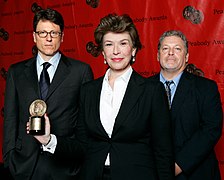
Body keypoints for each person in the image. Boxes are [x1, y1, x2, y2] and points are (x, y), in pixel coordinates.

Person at [31, 13, 175, 180]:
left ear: (133, 49)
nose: (116, 51)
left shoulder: (152, 90)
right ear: (102, 52)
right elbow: (82, 145)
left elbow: (163, 151)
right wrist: (48, 140)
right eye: (109, 44)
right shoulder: (88, 90)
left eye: (123, 43)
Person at [3, 8, 93, 180]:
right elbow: (10, 119)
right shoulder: (16, 72)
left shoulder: (80, 71)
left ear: (63, 36)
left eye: (54, 32)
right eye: (43, 32)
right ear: (34, 36)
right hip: (23, 165)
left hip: (64, 166)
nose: (49, 38)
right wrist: (10, 159)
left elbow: (85, 124)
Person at [149, 30, 223, 180]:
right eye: (165, 48)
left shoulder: (206, 88)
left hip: (196, 173)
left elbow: (211, 129)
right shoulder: (142, 88)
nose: (170, 53)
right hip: (152, 172)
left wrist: (178, 165)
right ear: (158, 55)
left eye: (177, 48)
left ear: (187, 56)